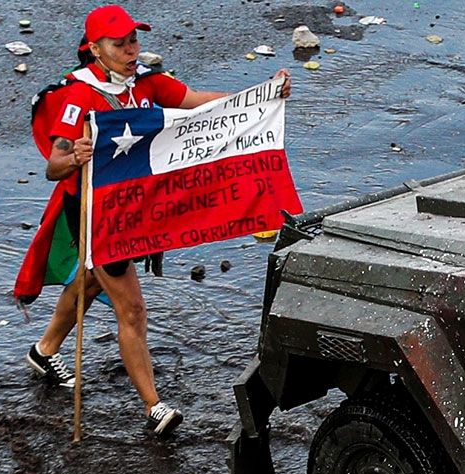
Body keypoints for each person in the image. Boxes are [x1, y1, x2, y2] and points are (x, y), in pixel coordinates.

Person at [20, 4, 292, 437]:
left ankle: (44, 349)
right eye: (119, 44)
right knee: (132, 308)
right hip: (95, 211)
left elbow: (201, 104)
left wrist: (263, 97)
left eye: (134, 40)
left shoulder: (147, 82)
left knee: (93, 278)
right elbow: (54, 166)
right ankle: (154, 406)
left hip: (135, 205)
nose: (131, 50)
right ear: (95, 49)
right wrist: (74, 157)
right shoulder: (79, 95)